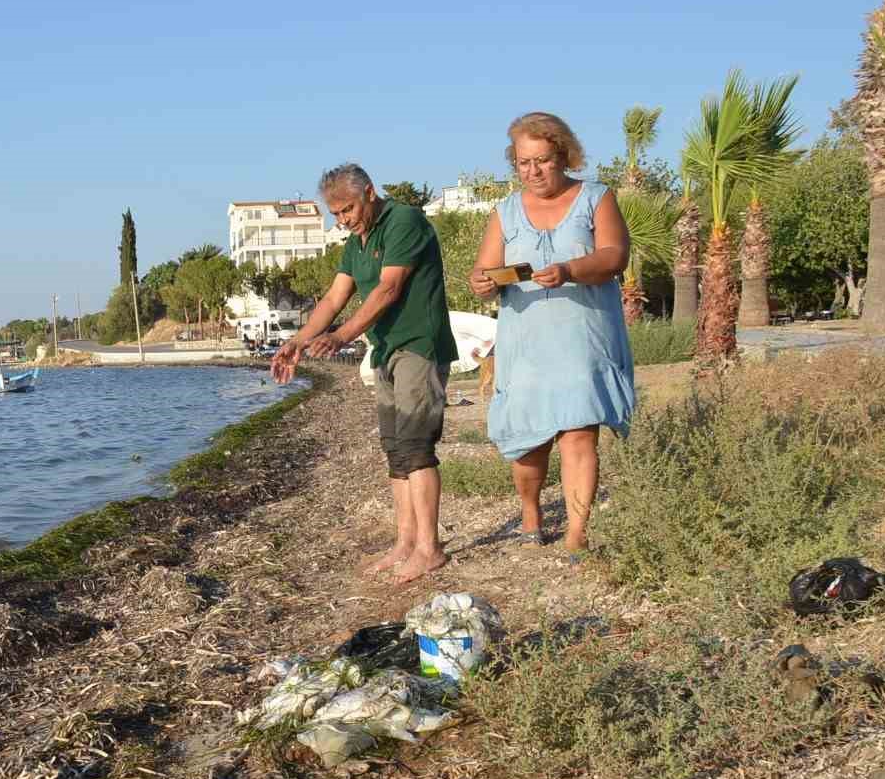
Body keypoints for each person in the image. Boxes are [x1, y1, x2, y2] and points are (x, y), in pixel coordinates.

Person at [271, 163, 458, 583]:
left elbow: (389, 288)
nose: (343, 219)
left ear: (370, 193)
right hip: (385, 351)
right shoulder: (355, 242)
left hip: (419, 346)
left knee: (416, 447)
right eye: (335, 214)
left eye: (348, 209)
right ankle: (405, 543)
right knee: (395, 453)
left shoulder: (403, 220)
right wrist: (298, 342)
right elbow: (334, 297)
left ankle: (429, 549)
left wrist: (343, 336)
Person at [469, 112, 634, 556]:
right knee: (529, 443)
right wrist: (483, 280)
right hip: (525, 343)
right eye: (523, 163)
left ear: (563, 156)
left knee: (579, 433)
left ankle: (577, 532)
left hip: (583, 337)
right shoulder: (504, 212)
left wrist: (569, 270)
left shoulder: (596, 197)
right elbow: (480, 269)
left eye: (541, 160)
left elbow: (615, 256)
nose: (533, 171)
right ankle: (530, 512)